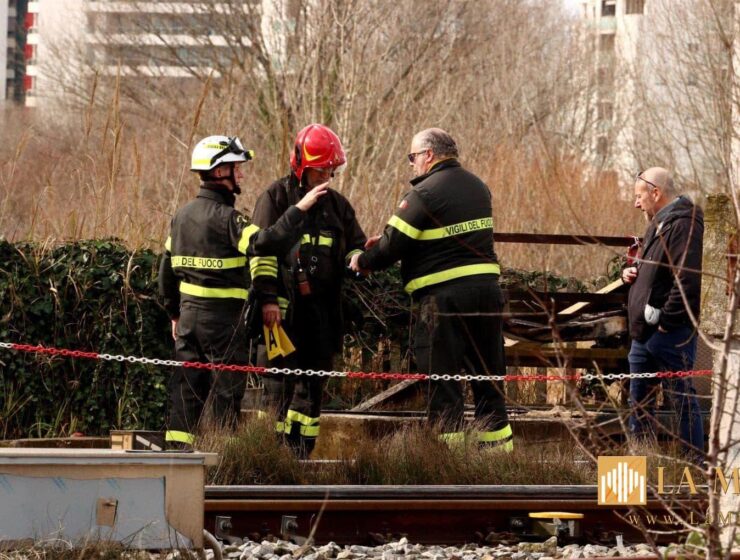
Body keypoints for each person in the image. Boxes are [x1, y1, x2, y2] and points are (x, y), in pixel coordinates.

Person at [159, 135, 329, 450]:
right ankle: (222, 458)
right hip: (223, 323)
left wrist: (174, 314)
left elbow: (165, 272)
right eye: (237, 167)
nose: (241, 174)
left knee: (185, 391)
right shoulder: (228, 218)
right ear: (219, 171)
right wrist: (299, 209)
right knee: (225, 392)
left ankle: (177, 458)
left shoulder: (181, 216)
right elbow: (266, 242)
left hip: (187, 321)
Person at [350, 128, 513, 451]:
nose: (411, 164)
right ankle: (498, 456)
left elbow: (393, 244)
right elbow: (445, 237)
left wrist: (362, 261)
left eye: (412, 157)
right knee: (488, 378)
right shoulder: (479, 187)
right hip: (487, 295)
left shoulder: (424, 193)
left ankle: (448, 457)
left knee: (443, 381)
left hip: (443, 300)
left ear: (429, 155)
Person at [250, 124, 366, 458]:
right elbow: (260, 252)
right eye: (320, 170)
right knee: (277, 388)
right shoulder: (275, 198)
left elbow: (354, 245)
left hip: (322, 315)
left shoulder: (338, 207)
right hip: (282, 314)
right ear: (301, 166)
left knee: (311, 389)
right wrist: (268, 299)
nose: (326, 176)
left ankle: (300, 456)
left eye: (331, 170)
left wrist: (359, 258)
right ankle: (268, 457)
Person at [622, 167, 704, 459]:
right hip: (643, 334)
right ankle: (641, 465)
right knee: (639, 404)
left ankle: (693, 467)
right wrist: (631, 272)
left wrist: (666, 324)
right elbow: (659, 272)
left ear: (656, 193)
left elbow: (687, 280)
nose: (636, 203)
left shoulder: (684, 224)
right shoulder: (659, 223)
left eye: (639, 196)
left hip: (669, 333)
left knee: (681, 399)